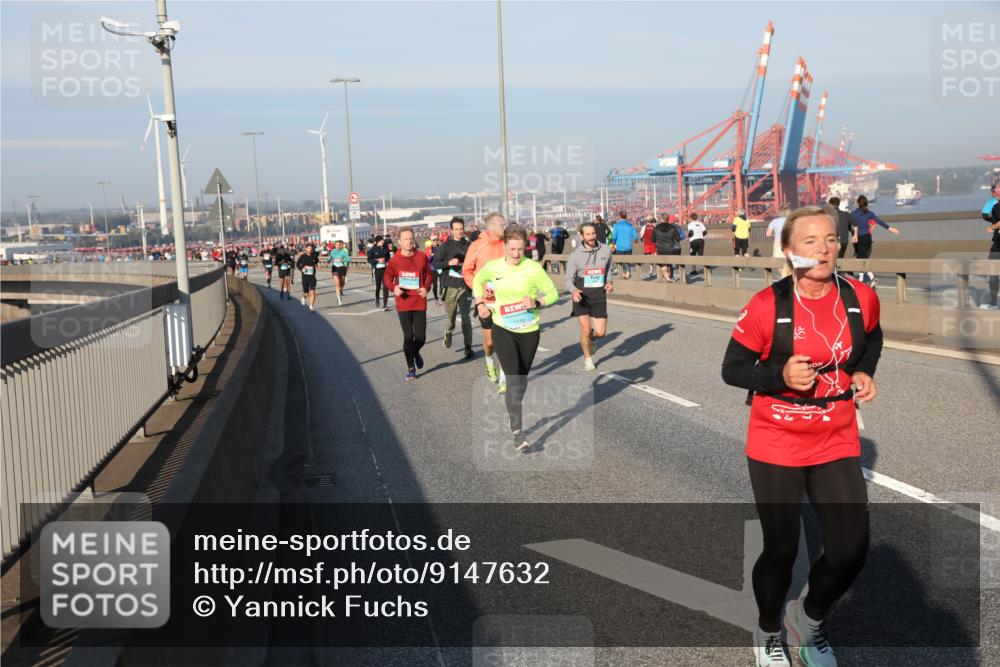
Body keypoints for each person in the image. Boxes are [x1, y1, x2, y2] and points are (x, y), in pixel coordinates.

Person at [721, 206, 884, 667]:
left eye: (831, 239)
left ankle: (806, 621)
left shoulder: (860, 297)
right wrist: (778, 375)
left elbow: (872, 339)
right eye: (810, 241)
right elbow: (732, 369)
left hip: (836, 434)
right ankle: (769, 628)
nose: (825, 249)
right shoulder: (766, 305)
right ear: (790, 252)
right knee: (782, 548)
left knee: (852, 548)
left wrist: (863, 372)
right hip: (777, 438)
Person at [472, 225, 559, 452]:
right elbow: (476, 282)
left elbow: (553, 294)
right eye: (512, 249)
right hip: (503, 329)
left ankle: (514, 410)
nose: (516, 254)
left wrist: (537, 302)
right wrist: (480, 303)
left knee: (521, 381)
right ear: (505, 247)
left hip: (529, 331)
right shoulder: (494, 268)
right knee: (513, 379)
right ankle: (517, 432)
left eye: (521, 249)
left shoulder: (533, 268)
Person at [463, 212, 509, 393]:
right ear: (490, 227)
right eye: (501, 226)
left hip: (507, 297)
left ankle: (505, 378)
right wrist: (478, 293)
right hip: (486, 297)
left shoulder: (508, 244)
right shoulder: (478, 245)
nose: (504, 229)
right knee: (490, 341)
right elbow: (467, 270)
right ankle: (489, 361)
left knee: (506, 339)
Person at [384, 227, 433, 380]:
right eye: (405, 239)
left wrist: (426, 288)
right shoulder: (395, 260)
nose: (409, 241)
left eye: (411, 238)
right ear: (399, 242)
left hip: (419, 301)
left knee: (420, 337)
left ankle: (415, 351)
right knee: (408, 336)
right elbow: (387, 278)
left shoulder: (421, 257)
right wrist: (394, 288)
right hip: (403, 302)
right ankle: (411, 368)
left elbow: (429, 275)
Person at [565, 221, 614, 371]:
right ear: (582, 236)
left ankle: (591, 339)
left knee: (600, 332)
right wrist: (573, 291)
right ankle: (588, 359)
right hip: (581, 295)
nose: (592, 237)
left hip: (599, 294)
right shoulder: (575, 256)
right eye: (588, 234)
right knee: (586, 329)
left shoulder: (606, 250)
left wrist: (609, 282)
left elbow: (609, 269)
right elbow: (568, 279)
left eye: (593, 233)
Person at [435, 217, 475, 358]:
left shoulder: (469, 245)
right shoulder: (445, 246)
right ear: (451, 230)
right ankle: (448, 332)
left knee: (466, 318)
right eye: (456, 229)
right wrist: (449, 262)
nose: (459, 231)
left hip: (465, 286)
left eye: (461, 229)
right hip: (450, 286)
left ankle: (468, 347)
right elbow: (435, 264)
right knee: (451, 318)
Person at [849, 194, 900, 287]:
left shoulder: (853, 213)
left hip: (858, 238)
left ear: (857, 203)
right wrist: (891, 229)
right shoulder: (869, 213)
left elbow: (849, 225)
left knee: (861, 258)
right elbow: (879, 222)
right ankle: (868, 278)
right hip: (868, 238)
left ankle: (865, 279)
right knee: (863, 258)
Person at [982, 181, 1000, 309]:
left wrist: (992, 227)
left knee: (993, 270)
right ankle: (994, 302)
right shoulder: (994, 205)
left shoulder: (996, 206)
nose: (993, 193)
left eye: (994, 191)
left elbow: (985, 216)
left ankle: (994, 302)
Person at [652, 213, 682, 282]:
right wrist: (671, 239)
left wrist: (659, 239)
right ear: (668, 219)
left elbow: (653, 239)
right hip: (670, 248)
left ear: (661, 219)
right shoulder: (672, 227)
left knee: (663, 264)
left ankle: (668, 278)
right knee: (669, 263)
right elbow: (678, 238)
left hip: (660, 249)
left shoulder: (656, 227)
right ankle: (671, 277)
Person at [611, 212, 639, 280]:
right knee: (627, 260)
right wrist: (635, 241)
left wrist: (613, 244)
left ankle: (626, 272)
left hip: (619, 247)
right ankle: (627, 272)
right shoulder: (630, 225)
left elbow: (614, 236)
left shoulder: (616, 225)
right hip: (628, 246)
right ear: (626, 216)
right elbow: (635, 236)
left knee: (621, 261)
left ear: (620, 216)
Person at [767, 205, 791, 278]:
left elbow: (768, 234)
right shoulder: (790, 221)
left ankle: (785, 277)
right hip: (789, 243)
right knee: (789, 263)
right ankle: (788, 277)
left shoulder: (774, 221)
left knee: (777, 262)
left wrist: (775, 234)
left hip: (778, 245)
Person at [368, 236, 391, 310]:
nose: (382, 242)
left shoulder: (385, 248)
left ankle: (385, 305)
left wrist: (387, 261)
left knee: (386, 287)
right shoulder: (372, 250)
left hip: (385, 270)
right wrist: (377, 261)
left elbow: (388, 257)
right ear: (377, 241)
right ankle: (377, 298)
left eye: (383, 241)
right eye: (381, 241)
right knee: (378, 287)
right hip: (377, 270)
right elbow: (369, 260)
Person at [296, 243, 320, 311]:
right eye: (309, 248)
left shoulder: (314, 256)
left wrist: (318, 264)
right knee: (306, 293)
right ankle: (303, 297)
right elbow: (297, 264)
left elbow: (317, 261)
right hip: (305, 277)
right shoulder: (303, 256)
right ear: (306, 249)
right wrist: (301, 269)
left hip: (312, 277)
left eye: (311, 248)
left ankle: (311, 306)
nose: (310, 249)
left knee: (312, 291)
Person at [328, 239, 350, 306]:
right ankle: (339, 299)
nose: (338, 246)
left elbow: (348, 259)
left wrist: (345, 262)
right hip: (335, 268)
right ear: (335, 245)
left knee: (342, 282)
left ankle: (341, 289)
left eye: (339, 245)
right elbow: (330, 258)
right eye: (337, 244)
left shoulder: (344, 252)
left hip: (342, 268)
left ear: (341, 245)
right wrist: (328, 260)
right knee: (337, 284)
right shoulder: (333, 251)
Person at [687, 212, 707, 277]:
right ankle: (705, 269)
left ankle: (694, 270)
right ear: (696, 217)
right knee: (701, 255)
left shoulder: (690, 224)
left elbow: (691, 232)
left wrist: (689, 237)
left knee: (693, 255)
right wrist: (700, 236)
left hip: (693, 241)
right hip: (701, 240)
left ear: (691, 218)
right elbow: (705, 232)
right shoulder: (700, 223)